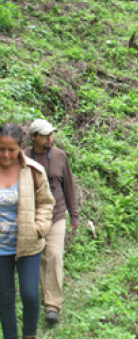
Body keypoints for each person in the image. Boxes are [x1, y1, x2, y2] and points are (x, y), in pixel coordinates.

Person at [0, 123, 54, 339]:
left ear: (21, 147)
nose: (6, 155)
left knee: (31, 295)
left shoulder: (33, 171)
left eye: (11, 149)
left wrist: (40, 227)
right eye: (1, 150)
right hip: (1, 249)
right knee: (5, 297)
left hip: (29, 244)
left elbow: (46, 202)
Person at [24, 119, 79, 324]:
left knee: (54, 255)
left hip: (56, 215)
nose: (50, 138)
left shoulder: (59, 156)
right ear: (33, 137)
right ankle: (42, 299)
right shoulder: (24, 158)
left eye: (51, 134)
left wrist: (74, 215)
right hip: (33, 217)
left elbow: (69, 187)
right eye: (45, 135)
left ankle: (52, 305)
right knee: (38, 258)